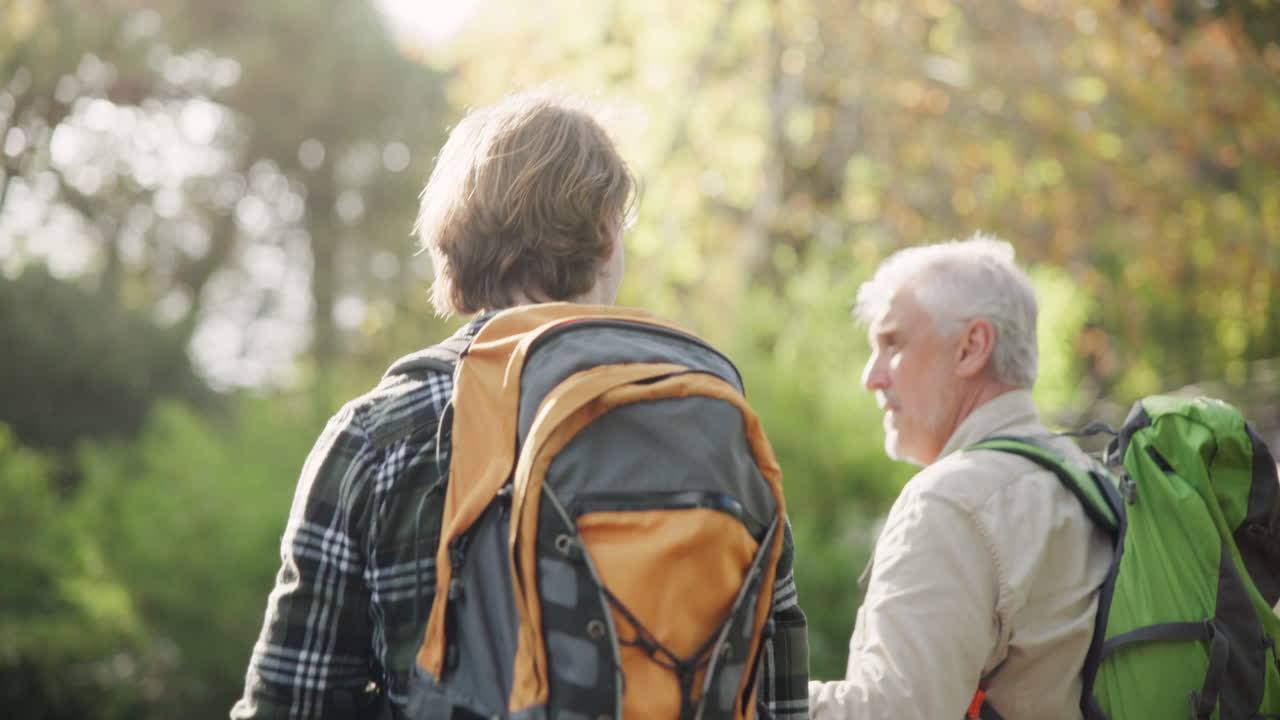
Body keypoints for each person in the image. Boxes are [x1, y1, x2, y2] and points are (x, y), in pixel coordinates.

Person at [231, 89, 809, 719]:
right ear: (608, 235)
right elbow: (777, 691)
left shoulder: (381, 434)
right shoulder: (707, 418)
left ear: (449, 247)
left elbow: (293, 701)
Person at [808, 234, 1111, 720]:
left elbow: (893, 714)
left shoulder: (950, 502)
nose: (872, 376)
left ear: (972, 347)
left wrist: (741, 697)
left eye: (893, 343)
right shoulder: (1085, 478)